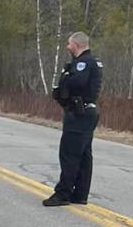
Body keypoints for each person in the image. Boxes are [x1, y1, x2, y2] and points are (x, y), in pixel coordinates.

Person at [44, 31, 103, 206]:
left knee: (69, 154)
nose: (67, 47)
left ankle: (63, 193)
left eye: (69, 44)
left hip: (79, 113)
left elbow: (76, 83)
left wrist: (66, 78)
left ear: (76, 45)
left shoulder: (83, 63)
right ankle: (80, 194)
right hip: (87, 112)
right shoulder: (92, 62)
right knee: (84, 154)